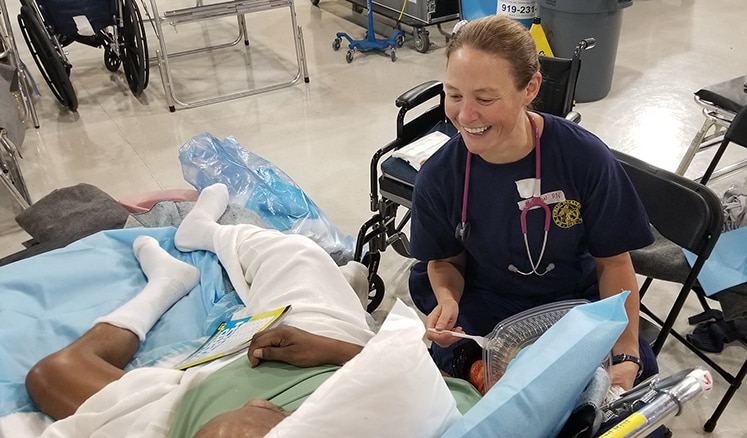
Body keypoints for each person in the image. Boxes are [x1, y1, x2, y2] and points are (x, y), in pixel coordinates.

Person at [25, 183, 481, 437]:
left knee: (51, 376)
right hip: (319, 356)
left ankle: (166, 285)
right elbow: (437, 384)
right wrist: (334, 348)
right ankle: (203, 233)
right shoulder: (422, 422)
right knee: (301, 255)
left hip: (181, 403)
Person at [408, 15, 657, 391]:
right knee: (487, 393)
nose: (465, 115)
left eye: (486, 98)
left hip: (575, 303)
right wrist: (447, 300)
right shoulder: (440, 177)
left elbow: (614, 264)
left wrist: (625, 357)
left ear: (530, 88)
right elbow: (444, 261)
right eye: (454, 95)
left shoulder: (583, 159)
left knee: (612, 397)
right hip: (485, 305)